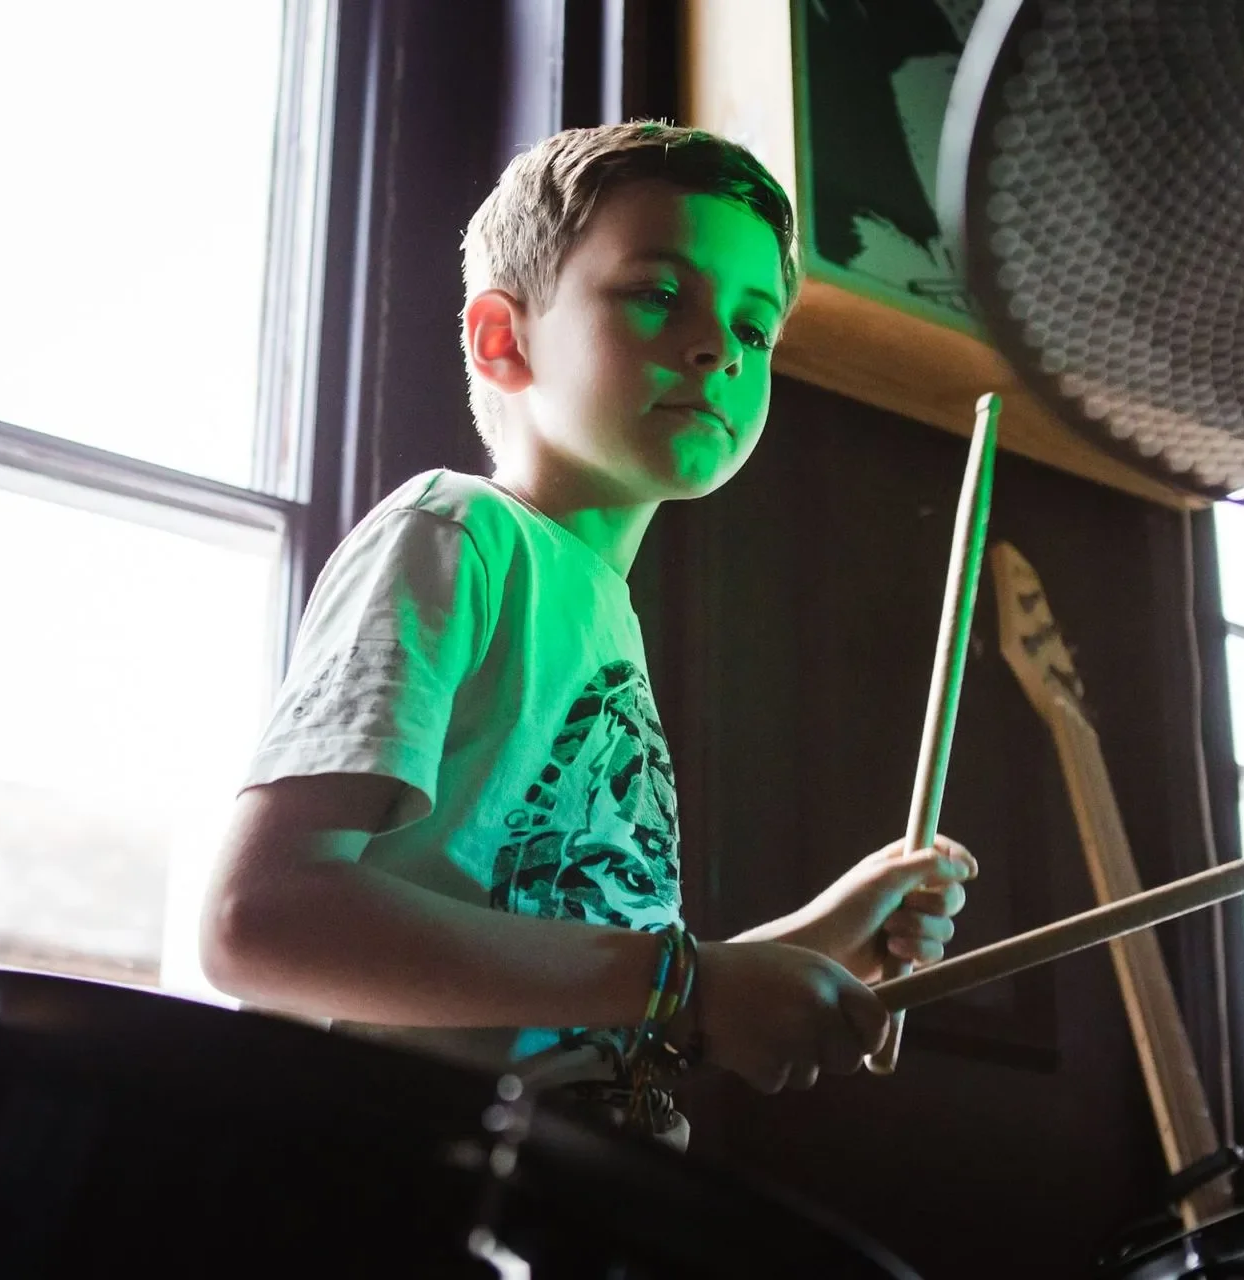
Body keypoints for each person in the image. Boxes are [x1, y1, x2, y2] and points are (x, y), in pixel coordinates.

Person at [199, 121, 977, 1139]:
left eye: (754, 330)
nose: (717, 347)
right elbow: (255, 920)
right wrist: (686, 983)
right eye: (659, 294)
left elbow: (598, 1016)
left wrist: (822, 943)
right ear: (502, 338)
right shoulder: (461, 535)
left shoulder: (605, 612)